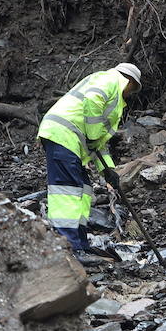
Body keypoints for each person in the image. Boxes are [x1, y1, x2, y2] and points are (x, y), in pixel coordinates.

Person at [37, 62, 141, 264]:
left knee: (83, 190)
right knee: (68, 191)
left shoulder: (112, 91)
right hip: (62, 135)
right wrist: (93, 136)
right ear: (130, 81)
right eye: (133, 89)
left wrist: (108, 170)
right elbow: (92, 104)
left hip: (69, 139)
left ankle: (80, 244)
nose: (130, 94)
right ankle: (68, 247)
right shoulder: (110, 79)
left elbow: (98, 142)